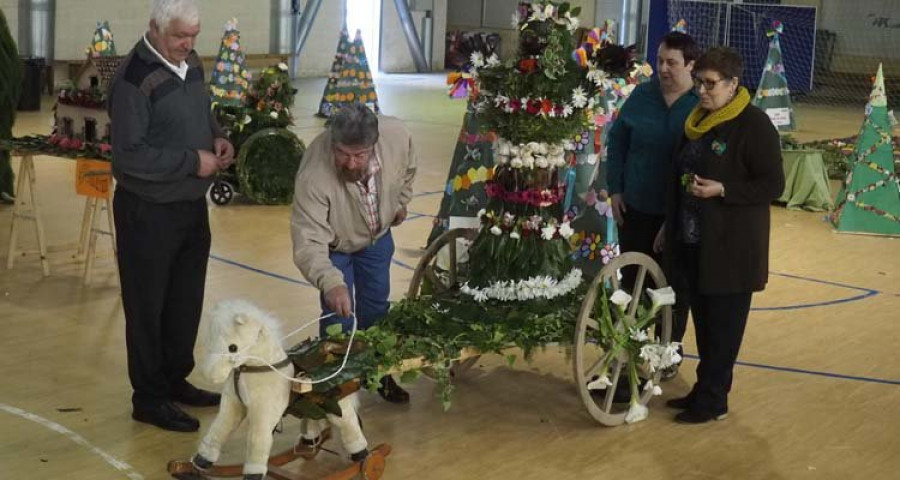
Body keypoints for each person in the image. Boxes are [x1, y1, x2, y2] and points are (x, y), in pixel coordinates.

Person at [109, 0, 234, 432]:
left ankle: (174, 380)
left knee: (184, 301)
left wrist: (217, 138)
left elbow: (200, 111)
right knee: (148, 307)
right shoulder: (133, 79)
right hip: (148, 212)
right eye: (180, 36)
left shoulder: (190, 62)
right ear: (155, 30)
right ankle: (148, 397)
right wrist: (190, 161)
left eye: (194, 36)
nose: (188, 44)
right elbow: (127, 157)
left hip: (189, 207)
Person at [656, 47, 784, 424]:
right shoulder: (697, 120)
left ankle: (714, 401)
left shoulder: (755, 125)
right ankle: (703, 389)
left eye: (711, 84)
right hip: (694, 240)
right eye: (699, 83)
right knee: (704, 325)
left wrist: (724, 189)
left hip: (731, 248)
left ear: (733, 85)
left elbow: (773, 185)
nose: (702, 91)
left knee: (723, 329)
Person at [291, 104, 417, 403]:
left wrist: (400, 202)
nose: (350, 163)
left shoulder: (397, 136)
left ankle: (378, 373)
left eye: (359, 155)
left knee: (376, 310)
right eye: (342, 154)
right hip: (336, 248)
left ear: (374, 145)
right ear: (332, 142)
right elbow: (308, 239)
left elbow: (409, 169)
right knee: (339, 319)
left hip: (377, 240)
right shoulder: (313, 175)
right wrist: (330, 281)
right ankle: (337, 389)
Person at [606, 31, 700, 380]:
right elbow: (617, 142)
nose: (662, 68)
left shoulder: (697, 105)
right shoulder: (641, 96)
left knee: (672, 287)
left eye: (671, 63)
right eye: (659, 60)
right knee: (631, 283)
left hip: (675, 215)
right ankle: (628, 346)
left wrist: (674, 218)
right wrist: (615, 189)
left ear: (690, 65)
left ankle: (668, 352)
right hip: (635, 208)